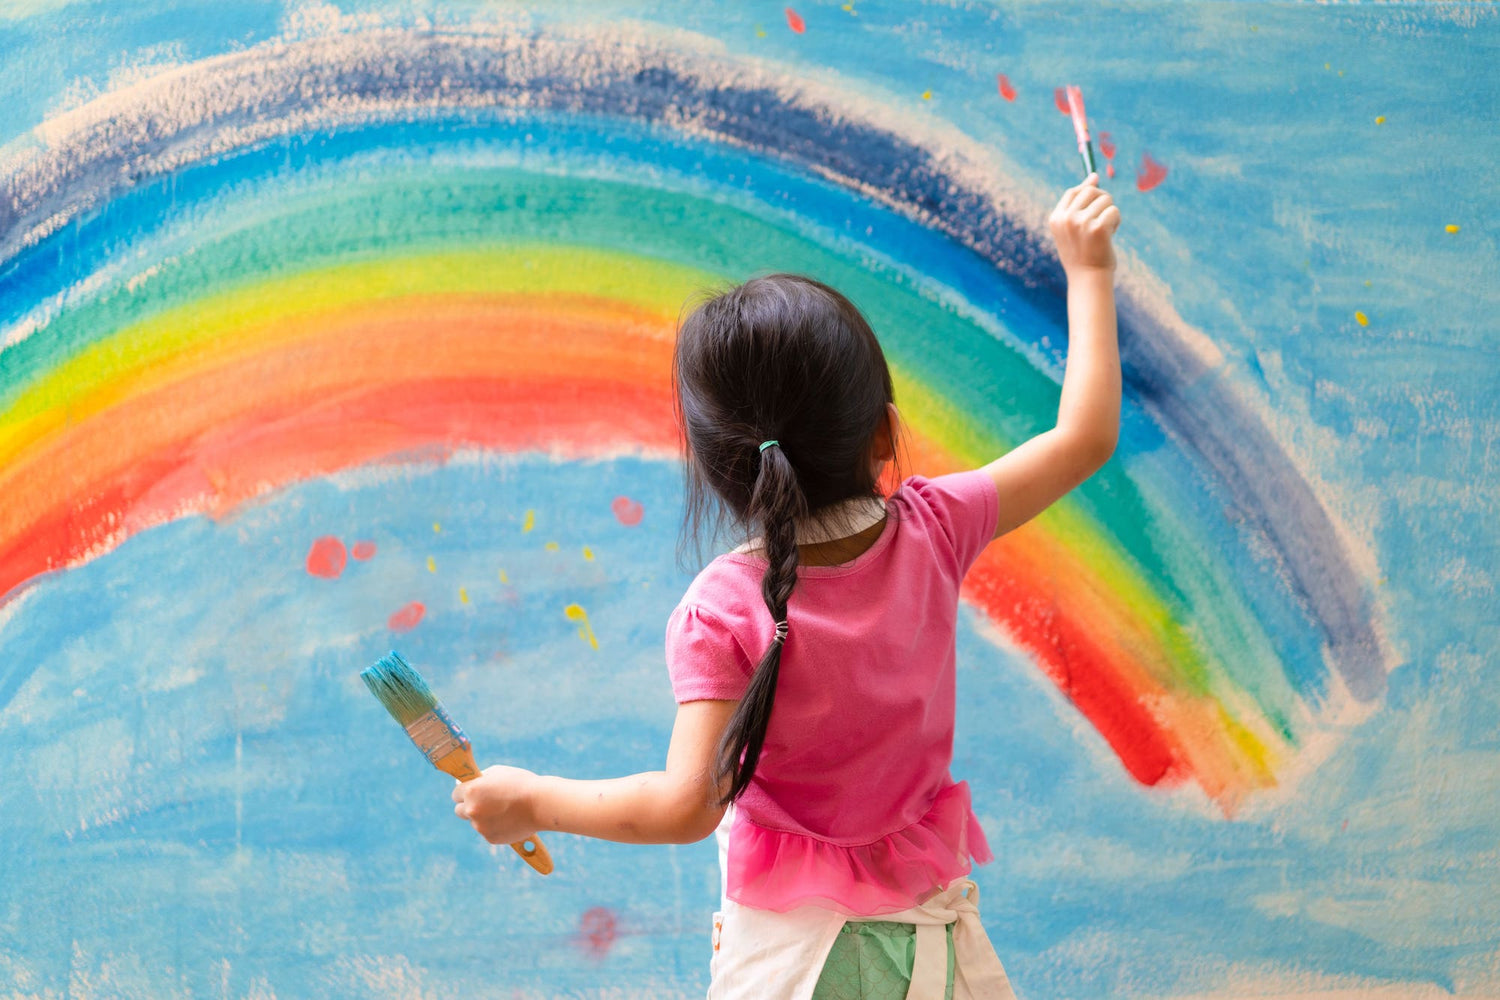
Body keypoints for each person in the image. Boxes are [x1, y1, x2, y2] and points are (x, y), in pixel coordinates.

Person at [452, 173, 1122, 998]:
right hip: (936, 956)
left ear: (717, 466)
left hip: (796, 966)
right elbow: (1085, 436)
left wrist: (532, 801)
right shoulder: (936, 529)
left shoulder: (722, 610)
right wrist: (1088, 272)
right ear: (881, 429)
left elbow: (685, 806)